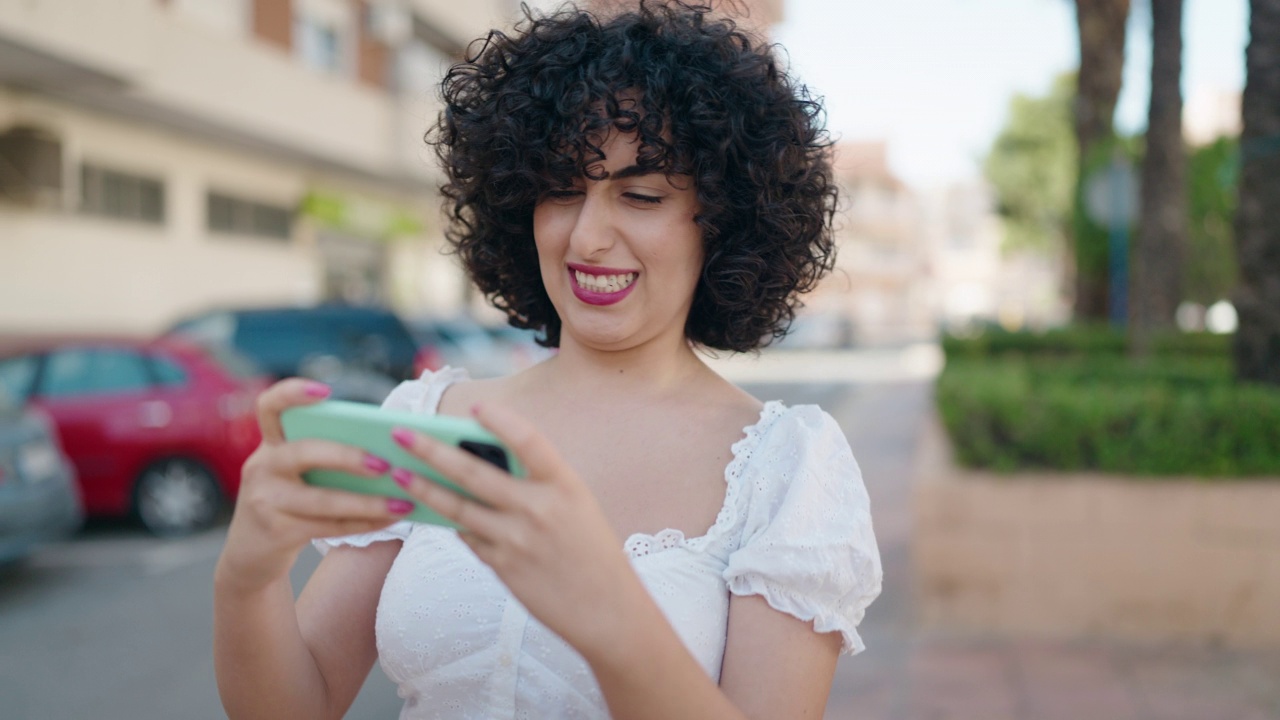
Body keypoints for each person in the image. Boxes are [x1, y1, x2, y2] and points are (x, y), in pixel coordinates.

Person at [212, 2, 882, 718]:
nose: (588, 236)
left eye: (642, 194)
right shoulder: (431, 421)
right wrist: (247, 578)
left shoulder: (787, 468)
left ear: (722, 221)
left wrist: (603, 607)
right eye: (561, 190)